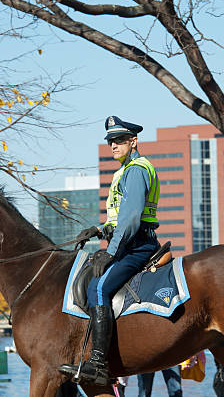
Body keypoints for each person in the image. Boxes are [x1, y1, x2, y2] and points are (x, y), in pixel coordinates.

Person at [59, 116, 161, 385]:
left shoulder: (137, 169)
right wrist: (100, 230)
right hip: (127, 242)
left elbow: (131, 219)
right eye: (110, 141)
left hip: (136, 245)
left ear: (133, 141)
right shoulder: (123, 171)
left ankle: (99, 363)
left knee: (98, 288)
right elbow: (118, 218)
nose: (113, 145)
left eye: (119, 140)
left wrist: (111, 251)